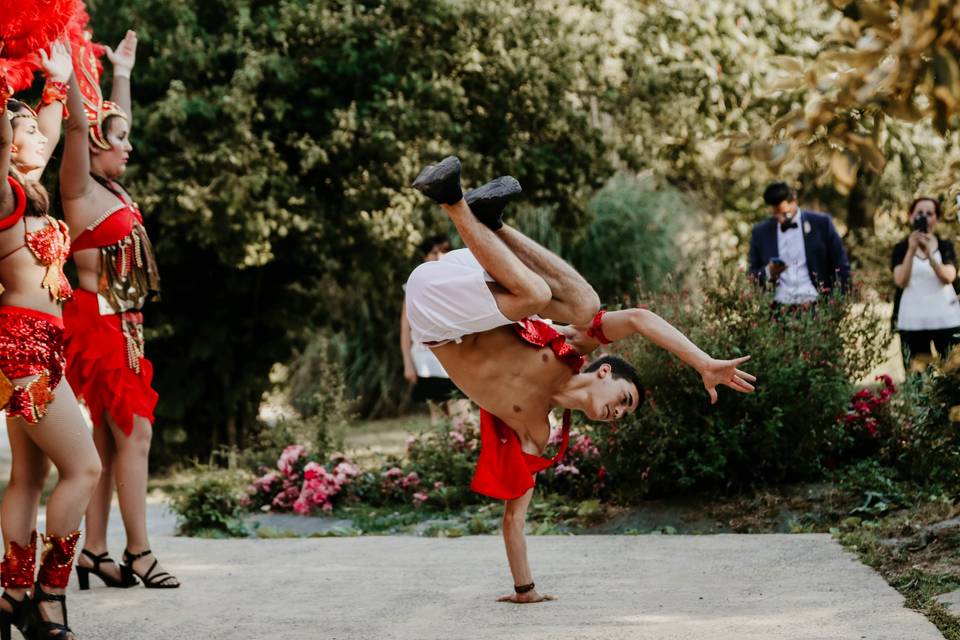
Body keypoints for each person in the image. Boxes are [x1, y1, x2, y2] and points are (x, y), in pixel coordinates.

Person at [408, 156, 755, 603]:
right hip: (467, 272)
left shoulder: (535, 428)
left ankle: (474, 213)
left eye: (623, 415)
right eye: (625, 400)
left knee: (539, 295)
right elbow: (639, 318)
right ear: (605, 371)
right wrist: (703, 362)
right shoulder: (569, 348)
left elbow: (513, 519)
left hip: (437, 317)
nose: (619, 414)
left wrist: (525, 590)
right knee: (585, 304)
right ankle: (472, 211)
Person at [60, 30, 179, 591]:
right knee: (136, 435)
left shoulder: (115, 190)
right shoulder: (79, 189)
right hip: (100, 323)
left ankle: (95, 552)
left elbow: (113, 125)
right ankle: (140, 551)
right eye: (119, 141)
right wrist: (70, 79)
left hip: (125, 325)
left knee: (111, 443)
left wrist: (123, 74)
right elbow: (85, 127)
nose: (129, 147)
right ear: (93, 145)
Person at [1, 55, 103, 640]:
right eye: (29, 131)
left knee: (28, 475)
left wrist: (58, 77)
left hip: (39, 347)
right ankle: (49, 595)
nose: (42, 135)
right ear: (7, 146)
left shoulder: (29, 192)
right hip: (23, 348)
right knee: (84, 466)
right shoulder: (3, 194)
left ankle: (12, 594)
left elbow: (48, 116)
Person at [400, 234, 472, 425]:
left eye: (445, 251)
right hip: (426, 359)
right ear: (425, 256)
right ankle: (446, 453)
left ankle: (468, 451)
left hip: (454, 357)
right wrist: (408, 363)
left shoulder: (457, 283)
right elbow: (405, 328)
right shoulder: (413, 287)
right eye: (434, 252)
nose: (440, 256)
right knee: (438, 418)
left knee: (462, 414)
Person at [748, 181, 851, 306]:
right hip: (778, 308)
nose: (780, 218)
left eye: (784, 213)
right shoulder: (760, 232)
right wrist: (769, 271)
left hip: (817, 304)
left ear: (795, 201)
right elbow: (752, 274)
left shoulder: (822, 224)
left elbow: (841, 264)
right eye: (775, 214)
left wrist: (839, 303)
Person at [891, 196, 960, 371]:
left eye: (929, 213)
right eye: (919, 213)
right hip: (912, 323)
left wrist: (930, 255)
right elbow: (900, 280)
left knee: (953, 376)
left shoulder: (945, 246)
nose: (924, 217)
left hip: (946, 321)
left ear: (936, 218)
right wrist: (912, 249)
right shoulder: (901, 248)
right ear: (911, 216)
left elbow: (949, 277)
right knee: (917, 379)